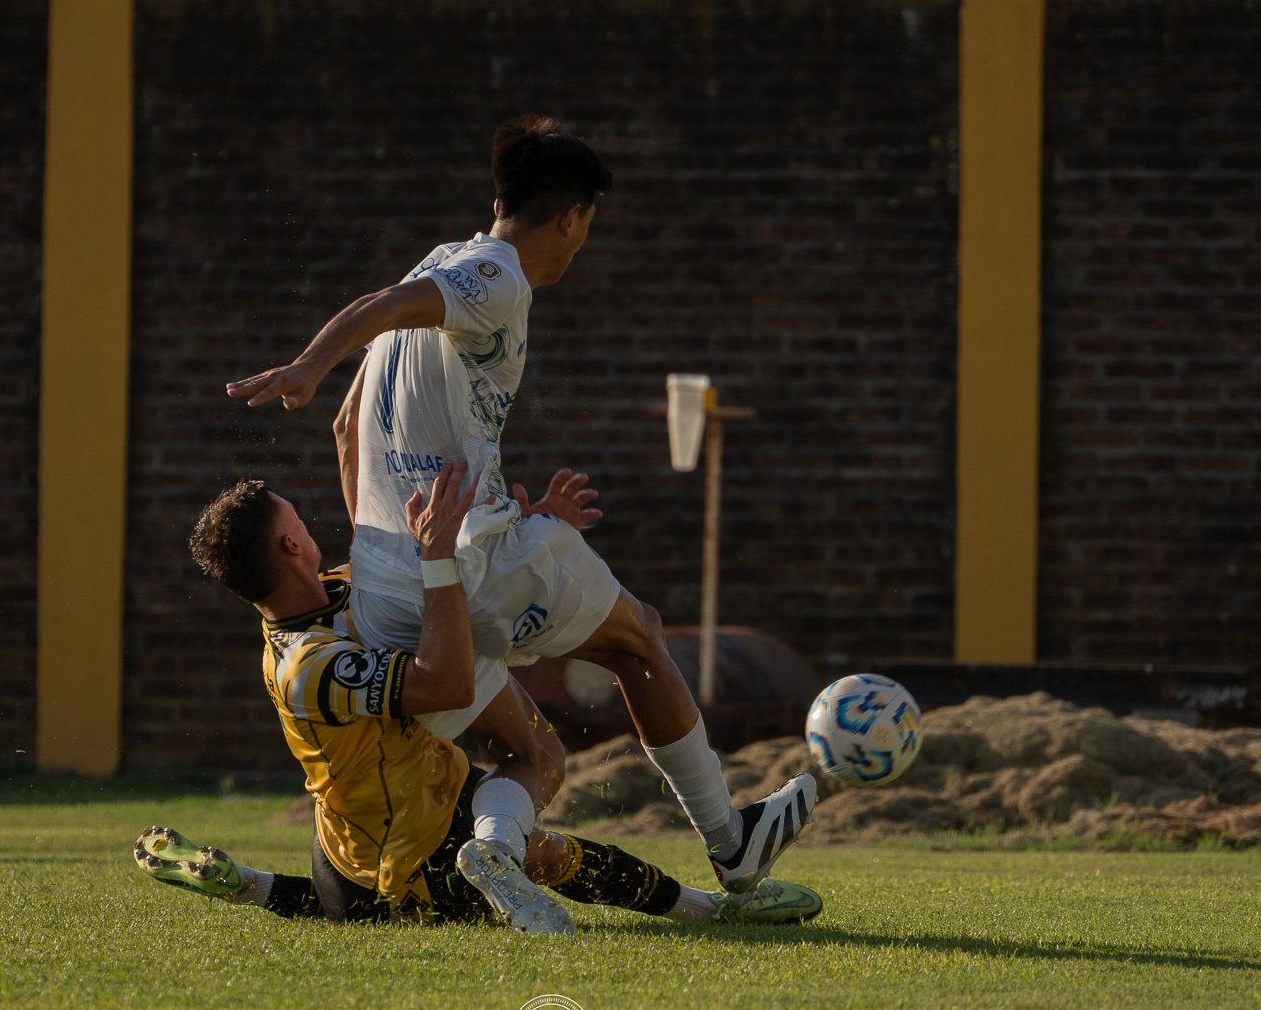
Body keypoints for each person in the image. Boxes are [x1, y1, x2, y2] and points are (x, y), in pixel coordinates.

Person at [224, 115, 814, 893]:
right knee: (640, 639)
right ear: (572, 217)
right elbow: (382, 304)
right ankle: (730, 842)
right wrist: (308, 363)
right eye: (587, 227)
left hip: (383, 599)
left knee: (528, 751)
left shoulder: (440, 264)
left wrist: (396, 557)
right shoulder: (497, 277)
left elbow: (345, 427)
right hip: (477, 565)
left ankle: (495, 847)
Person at [138, 462, 823, 933]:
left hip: (349, 849)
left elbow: (449, 582)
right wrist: (436, 554)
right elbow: (447, 683)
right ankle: (712, 909)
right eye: (298, 518)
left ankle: (248, 882)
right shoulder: (308, 668)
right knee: (543, 827)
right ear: (293, 542)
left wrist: (539, 538)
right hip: (412, 852)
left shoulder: (342, 592)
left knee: (365, 903)